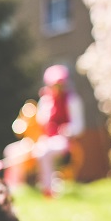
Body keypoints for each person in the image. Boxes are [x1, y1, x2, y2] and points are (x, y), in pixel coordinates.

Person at [32, 65, 84, 196]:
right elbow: (41, 122)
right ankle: (47, 186)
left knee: (46, 152)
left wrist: (68, 130)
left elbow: (79, 126)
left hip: (65, 141)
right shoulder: (46, 101)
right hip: (47, 139)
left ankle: (49, 188)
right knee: (41, 151)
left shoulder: (71, 100)